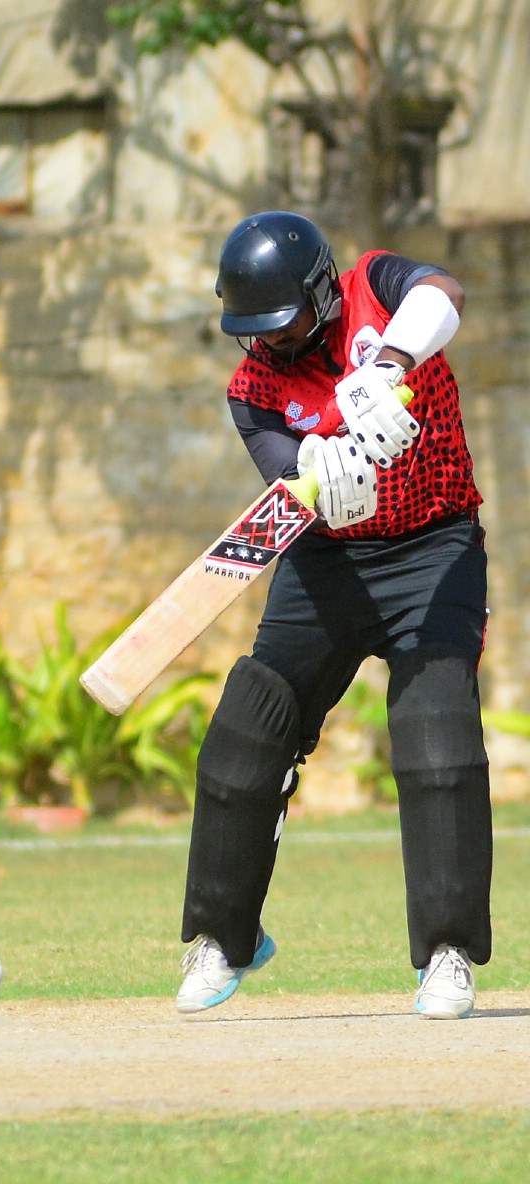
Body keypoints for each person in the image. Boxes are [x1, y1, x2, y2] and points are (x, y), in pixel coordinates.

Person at [177, 210, 491, 1020]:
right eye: (254, 330)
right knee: (248, 729)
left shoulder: (374, 286)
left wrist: (389, 365)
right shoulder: (252, 390)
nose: (269, 343)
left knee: (437, 737)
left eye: (282, 324)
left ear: (320, 294)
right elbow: (290, 484)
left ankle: (448, 954)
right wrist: (326, 470)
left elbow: (445, 292)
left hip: (433, 549)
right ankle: (224, 939)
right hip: (327, 564)